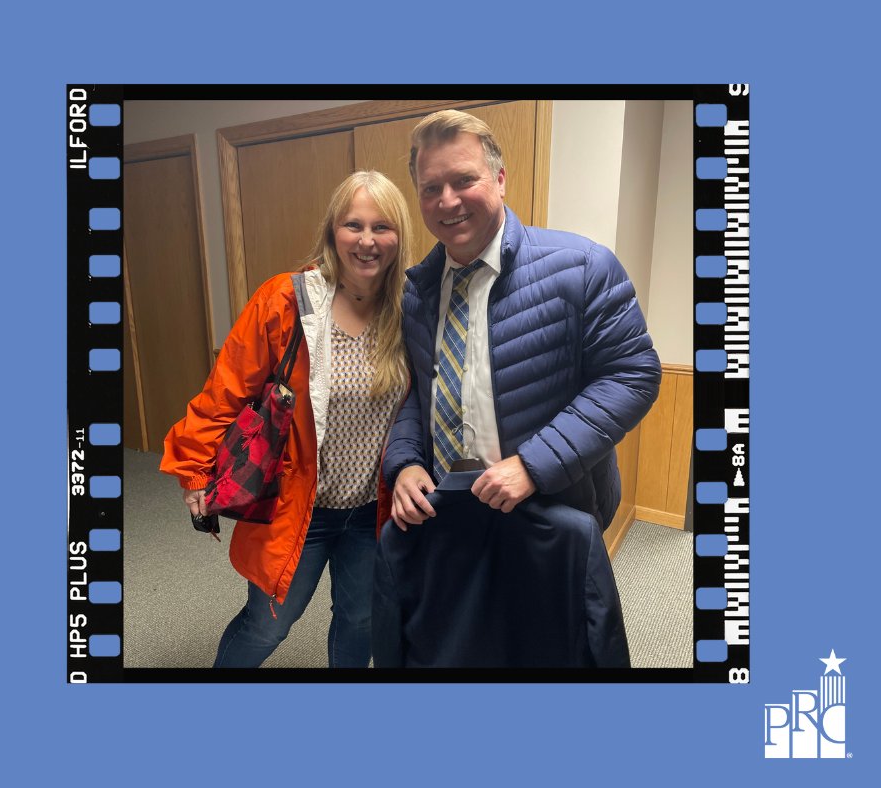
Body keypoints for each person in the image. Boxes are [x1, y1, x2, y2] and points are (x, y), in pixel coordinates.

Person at [377, 110, 662, 666]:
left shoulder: (581, 267)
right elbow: (418, 391)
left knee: (546, 650)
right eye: (431, 188)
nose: (448, 200)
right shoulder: (417, 292)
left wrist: (532, 465)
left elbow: (633, 373)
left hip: (550, 513)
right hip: (453, 518)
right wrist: (407, 462)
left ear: (500, 179)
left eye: (465, 180)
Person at [161, 170, 413, 668]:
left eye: (382, 227)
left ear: (400, 236)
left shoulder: (410, 308)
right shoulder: (286, 300)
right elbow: (225, 390)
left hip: (371, 508)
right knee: (269, 622)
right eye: (353, 225)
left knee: (360, 620)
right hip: (298, 502)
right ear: (332, 231)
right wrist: (193, 469)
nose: (366, 240)